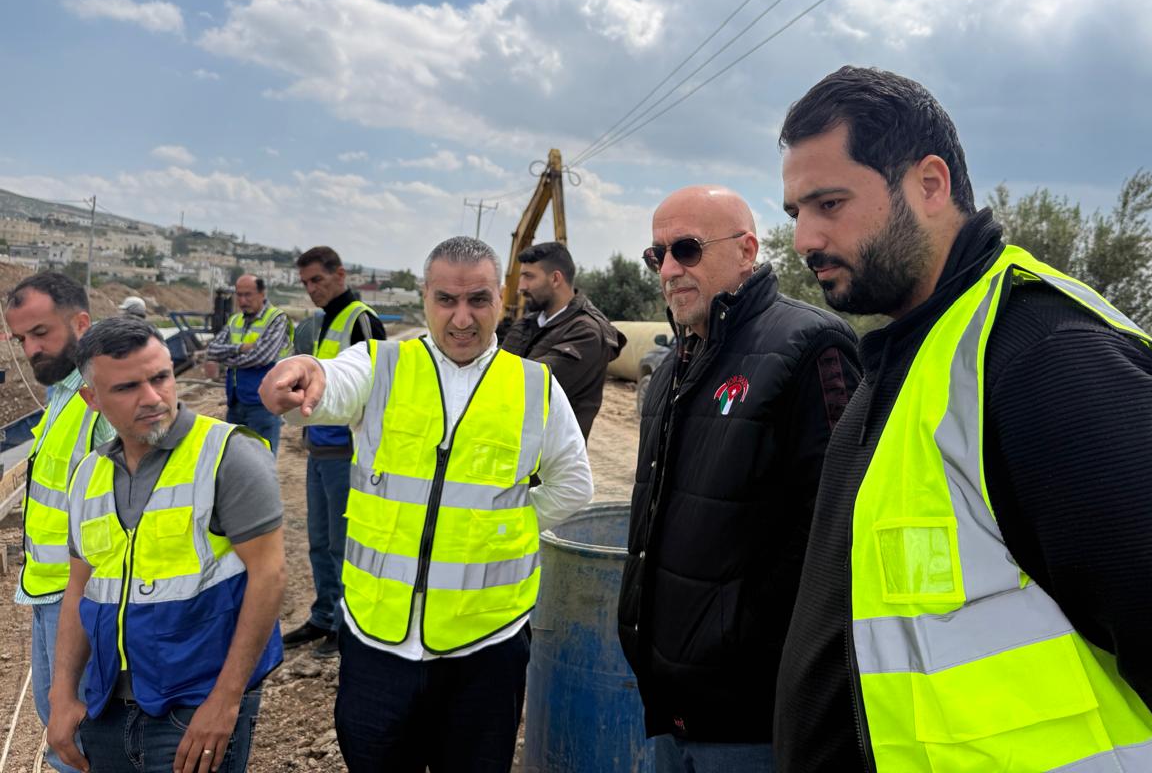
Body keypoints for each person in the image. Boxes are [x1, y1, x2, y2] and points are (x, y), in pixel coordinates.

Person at [774, 66, 1152, 772]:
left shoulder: (1046, 359)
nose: (804, 238)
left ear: (929, 185)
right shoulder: (912, 357)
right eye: (795, 212)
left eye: (829, 203)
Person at [259, 235, 594, 773]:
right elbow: (331, 383)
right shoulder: (381, 365)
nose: (462, 318)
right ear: (425, 298)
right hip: (377, 641)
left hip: (486, 646)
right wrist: (307, 371)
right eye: (446, 300)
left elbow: (574, 485)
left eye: (478, 300)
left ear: (500, 299)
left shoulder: (534, 387)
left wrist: (502, 528)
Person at [617, 187, 860, 773]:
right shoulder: (674, 366)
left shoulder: (810, 346)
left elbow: (836, 532)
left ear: (747, 251)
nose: (669, 270)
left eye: (687, 249)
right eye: (657, 255)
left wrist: (741, 640)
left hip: (754, 718)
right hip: (670, 704)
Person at [46, 316, 284, 773]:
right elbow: (79, 589)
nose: (153, 398)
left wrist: (226, 701)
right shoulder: (89, 475)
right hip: (105, 707)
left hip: (195, 708)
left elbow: (269, 576)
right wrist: (62, 695)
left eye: (160, 377)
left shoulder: (228, 455)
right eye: (127, 387)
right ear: (91, 399)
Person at [3, 272, 115, 773]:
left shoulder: (102, 397)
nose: (31, 349)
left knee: (78, 736)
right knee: (60, 729)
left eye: (41, 333)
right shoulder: (62, 395)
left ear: (81, 324)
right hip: (49, 590)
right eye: (21, 339)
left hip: (84, 598)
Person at [283, 245, 385, 658]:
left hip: (346, 454)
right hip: (319, 451)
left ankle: (346, 625)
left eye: (318, 280)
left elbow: (377, 389)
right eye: (306, 283)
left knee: (344, 545)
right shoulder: (321, 322)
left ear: (340, 275)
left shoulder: (361, 320)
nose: (312, 289)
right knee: (320, 541)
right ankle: (324, 614)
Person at [501, 241, 626, 440]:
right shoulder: (526, 323)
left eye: (528, 276)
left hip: (550, 457)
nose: (521, 287)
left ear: (555, 279)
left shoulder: (587, 333)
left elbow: (522, 389)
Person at [202, 274, 294, 454]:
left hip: (263, 405)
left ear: (262, 294)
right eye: (239, 295)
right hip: (236, 402)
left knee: (262, 460)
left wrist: (227, 359)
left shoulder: (277, 319)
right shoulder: (235, 320)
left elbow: (261, 357)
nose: (243, 301)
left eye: (248, 295)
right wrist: (241, 348)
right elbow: (212, 350)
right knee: (235, 459)